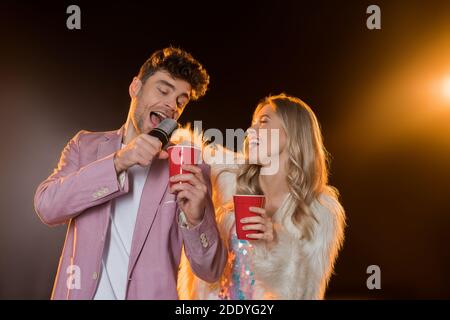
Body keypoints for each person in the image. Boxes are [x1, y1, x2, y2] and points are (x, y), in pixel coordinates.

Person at [34, 47, 227, 300]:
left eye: (181, 101)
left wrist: (197, 218)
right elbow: (47, 207)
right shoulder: (84, 146)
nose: (172, 106)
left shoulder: (188, 165)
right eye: (163, 90)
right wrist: (119, 162)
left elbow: (211, 271)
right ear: (135, 87)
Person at [181, 93, 346, 299]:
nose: (250, 130)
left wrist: (275, 244)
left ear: (293, 132)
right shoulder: (227, 182)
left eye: (263, 122)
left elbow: (304, 293)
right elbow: (206, 268)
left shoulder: (319, 210)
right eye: (252, 124)